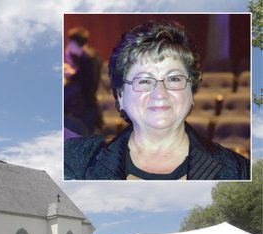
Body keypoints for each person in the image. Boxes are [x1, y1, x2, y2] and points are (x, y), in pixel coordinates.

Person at [65, 20, 249, 180]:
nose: (160, 93)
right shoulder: (77, 163)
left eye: (174, 79)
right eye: (144, 81)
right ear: (120, 96)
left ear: (191, 91)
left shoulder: (239, 171)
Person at [64, 26, 103, 136]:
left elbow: (87, 84)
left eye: (69, 43)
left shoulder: (87, 59)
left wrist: (71, 75)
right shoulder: (91, 55)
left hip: (85, 109)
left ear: (74, 43)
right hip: (89, 106)